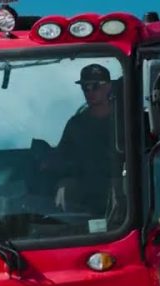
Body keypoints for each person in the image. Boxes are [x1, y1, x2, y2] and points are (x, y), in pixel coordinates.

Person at [53, 63, 121, 215]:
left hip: (122, 187)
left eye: (95, 86)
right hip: (86, 188)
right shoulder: (76, 125)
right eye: (85, 87)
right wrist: (64, 182)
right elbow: (62, 157)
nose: (90, 91)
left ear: (108, 86)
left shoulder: (127, 120)